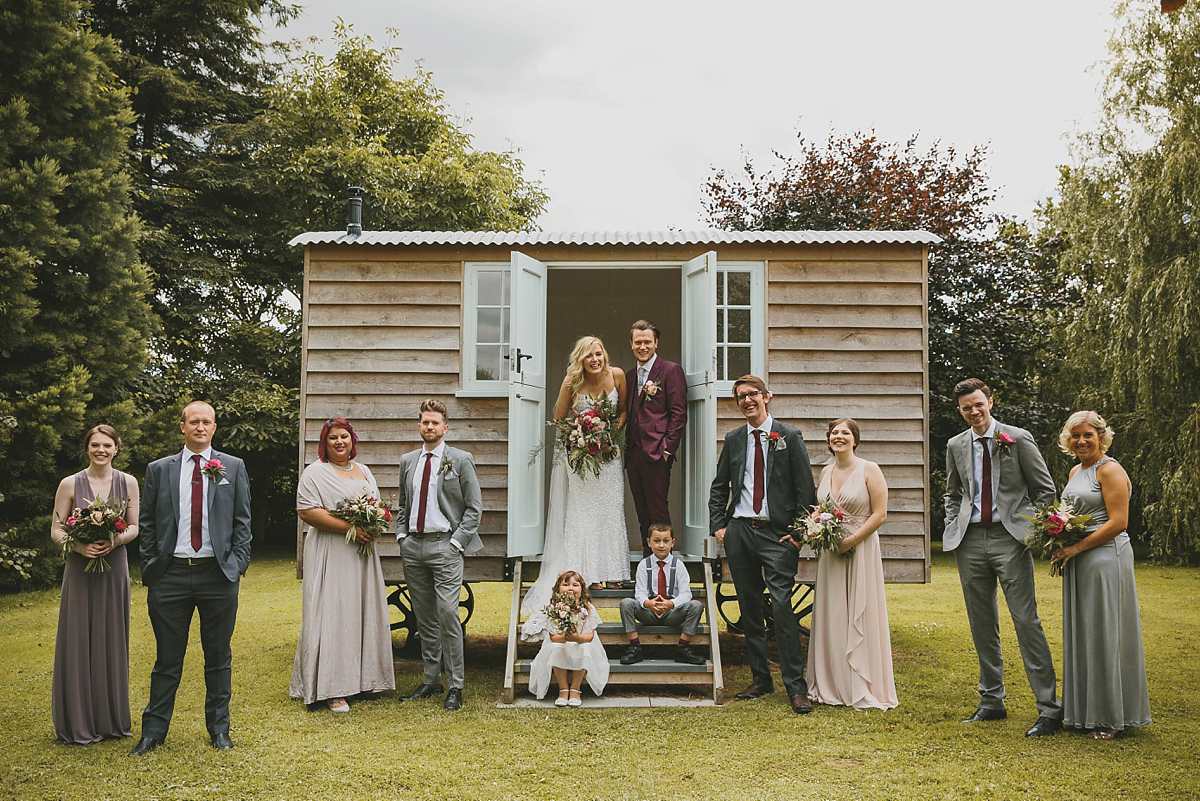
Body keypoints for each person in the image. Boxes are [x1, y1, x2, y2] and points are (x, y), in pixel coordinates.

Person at [943, 378, 1062, 737]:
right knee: (982, 625)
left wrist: (1030, 530)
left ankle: (1049, 709)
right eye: (966, 407)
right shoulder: (955, 445)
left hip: (1010, 540)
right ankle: (992, 702)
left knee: (1026, 621)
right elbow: (952, 492)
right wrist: (953, 522)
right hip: (969, 542)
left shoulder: (1018, 438)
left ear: (990, 402)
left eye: (978, 404)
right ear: (960, 410)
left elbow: (1045, 490)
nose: (974, 412)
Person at [131, 401, 252, 755]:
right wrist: (153, 562)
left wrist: (237, 564)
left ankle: (219, 730)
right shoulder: (159, 469)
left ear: (214, 428)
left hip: (218, 575)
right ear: (182, 426)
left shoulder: (232, 466)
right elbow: (150, 522)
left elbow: (242, 522)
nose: (200, 427)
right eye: (194, 421)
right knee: (167, 658)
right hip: (170, 576)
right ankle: (153, 732)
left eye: (207, 422)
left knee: (218, 657)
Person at [709, 375, 816, 714]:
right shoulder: (734, 439)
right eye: (740, 397)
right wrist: (719, 527)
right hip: (740, 532)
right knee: (749, 607)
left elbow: (805, 491)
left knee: (782, 608)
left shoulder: (789, 436)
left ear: (766, 396)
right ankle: (760, 679)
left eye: (752, 394)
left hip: (777, 535)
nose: (746, 401)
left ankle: (796, 688)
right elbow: (719, 487)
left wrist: (798, 534)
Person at [1051, 411, 1151, 739]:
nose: (1081, 440)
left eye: (1088, 435)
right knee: (1086, 632)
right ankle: (1084, 711)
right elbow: (1073, 514)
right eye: (1075, 435)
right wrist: (1058, 535)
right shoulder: (1076, 470)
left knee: (1106, 632)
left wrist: (1076, 548)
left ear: (1101, 437)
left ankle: (1111, 717)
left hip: (1106, 558)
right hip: (1079, 559)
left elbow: (1119, 521)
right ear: (1068, 439)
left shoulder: (1110, 470)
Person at [290, 417, 395, 712]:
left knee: (360, 611)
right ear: (324, 442)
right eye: (333, 437)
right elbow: (307, 511)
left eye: (344, 437)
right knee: (332, 612)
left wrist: (374, 524)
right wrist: (348, 528)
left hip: (361, 552)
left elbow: (377, 506)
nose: (339, 442)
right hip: (331, 550)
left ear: (353, 441)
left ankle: (362, 680)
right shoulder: (315, 472)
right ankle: (332, 688)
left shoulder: (364, 470)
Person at [522, 337, 629, 614]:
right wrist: (581, 434)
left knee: (610, 509)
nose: (595, 360)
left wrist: (610, 434)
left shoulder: (616, 375)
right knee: (582, 511)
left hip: (608, 456)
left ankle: (613, 572)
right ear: (580, 360)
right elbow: (559, 417)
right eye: (589, 356)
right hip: (580, 457)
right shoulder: (571, 380)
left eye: (599, 354)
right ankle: (587, 573)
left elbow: (624, 411)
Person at [50, 425, 140, 744]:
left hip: (113, 566)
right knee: (77, 636)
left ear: (117, 448)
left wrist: (113, 540)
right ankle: (77, 721)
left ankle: (110, 719)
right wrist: (80, 547)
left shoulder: (128, 482)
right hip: (79, 567)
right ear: (86, 448)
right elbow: (57, 530)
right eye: (94, 445)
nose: (101, 450)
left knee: (111, 636)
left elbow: (133, 526)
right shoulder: (68, 483)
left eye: (107, 445)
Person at [395, 399, 483, 712]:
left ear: (445, 427)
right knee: (425, 617)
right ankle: (431, 680)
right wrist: (402, 536)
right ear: (419, 425)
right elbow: (403, 504)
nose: (429, 427)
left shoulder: (460, 459)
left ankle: (455, 685)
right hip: (414, 547)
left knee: (448, 614)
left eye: (435, 423)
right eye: (425, 422)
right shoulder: (408, 461)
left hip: (446, 546)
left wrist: (457, 543)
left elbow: (474, 507)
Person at [805, 418, 898, 710]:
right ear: (828, 440)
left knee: (860, 610)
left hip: (861, 548)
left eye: (845, 432)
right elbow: (820, 510)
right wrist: (814, 527)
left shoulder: (869, 469)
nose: (839, 436)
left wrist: (852, 540)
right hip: (831, 552)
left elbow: (880, 514)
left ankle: (861, 683)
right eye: (834, 433)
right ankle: (832, 682)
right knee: (832, 613)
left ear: (855, 439)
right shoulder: (825, 471)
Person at [626, 320, 687, 556]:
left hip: (657, 453)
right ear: (631, 344)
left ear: (656, 343)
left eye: (647, 342)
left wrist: (667, 451)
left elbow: (678, 413)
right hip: (634, 454)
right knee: (643, 513)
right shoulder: (630, 376)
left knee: (658, 513)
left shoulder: (670, 371)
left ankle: (664, 569)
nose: (643, 346)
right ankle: (646, 566)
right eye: (638, 342)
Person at [618, 522, 706, 666]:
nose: (661, 545)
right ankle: (635, 647)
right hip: (648, 612)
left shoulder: (679, 566)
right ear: (649, 542)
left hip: (672, 613)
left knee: (696, 605)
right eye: (656, 541)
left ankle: (683, 648)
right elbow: (639, 592)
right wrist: (648, 603)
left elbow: (685, 594)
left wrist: (671, 604)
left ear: (672, 543)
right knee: (626, 603)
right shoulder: (643, 565)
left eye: (666, 541)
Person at [522, 570, 608, 706]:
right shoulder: (554, 609)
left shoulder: (587, 609)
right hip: (560, 641)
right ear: (558, 589)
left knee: (584, 648)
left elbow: (589, 636)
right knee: (557, 648)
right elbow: (553, 637)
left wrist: (577, 638)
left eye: (575, 585)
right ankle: (563, 689)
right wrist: (567, 638)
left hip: (582, 641)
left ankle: (575, 689)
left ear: (582, 589)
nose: (570, 588)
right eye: (566, 585)